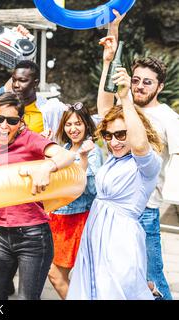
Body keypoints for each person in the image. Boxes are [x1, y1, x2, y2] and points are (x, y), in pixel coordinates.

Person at [97, 10, 178, 300]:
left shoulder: (168, 118)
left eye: (148, 82)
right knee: (119, 279)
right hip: (112, 210)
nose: (140, 85)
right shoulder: (122, 108)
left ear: (160, 87)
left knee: (153, 279)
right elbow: (105, 106)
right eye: (137, 80)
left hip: (144, 212)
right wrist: (110, 51)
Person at [67, 66, 163, 300]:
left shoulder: (147, 164)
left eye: (121, 135)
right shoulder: (114, 159)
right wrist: (108, 61)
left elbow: (140, 144)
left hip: (121, 240)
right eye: (109, 136)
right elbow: (104, 109)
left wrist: (126, 97)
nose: (114, 142)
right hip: (95, 234)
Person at [0, 93, 75, 300]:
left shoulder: (30, 139)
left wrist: (47, 167)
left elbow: (66, 155)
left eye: (12, 121)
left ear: (20, 122)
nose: (4, 125)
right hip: (1, 235)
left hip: (32, 236)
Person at [47, 103, 103, 299]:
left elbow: (91, 190)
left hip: (77, 220)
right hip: (58, 219)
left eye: (78, 123)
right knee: (58, 274)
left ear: (87, 125)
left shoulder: (93, 152)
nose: (73, 129)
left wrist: (84, 159)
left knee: (58, 274)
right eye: (69, 124)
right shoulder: (64, 148)